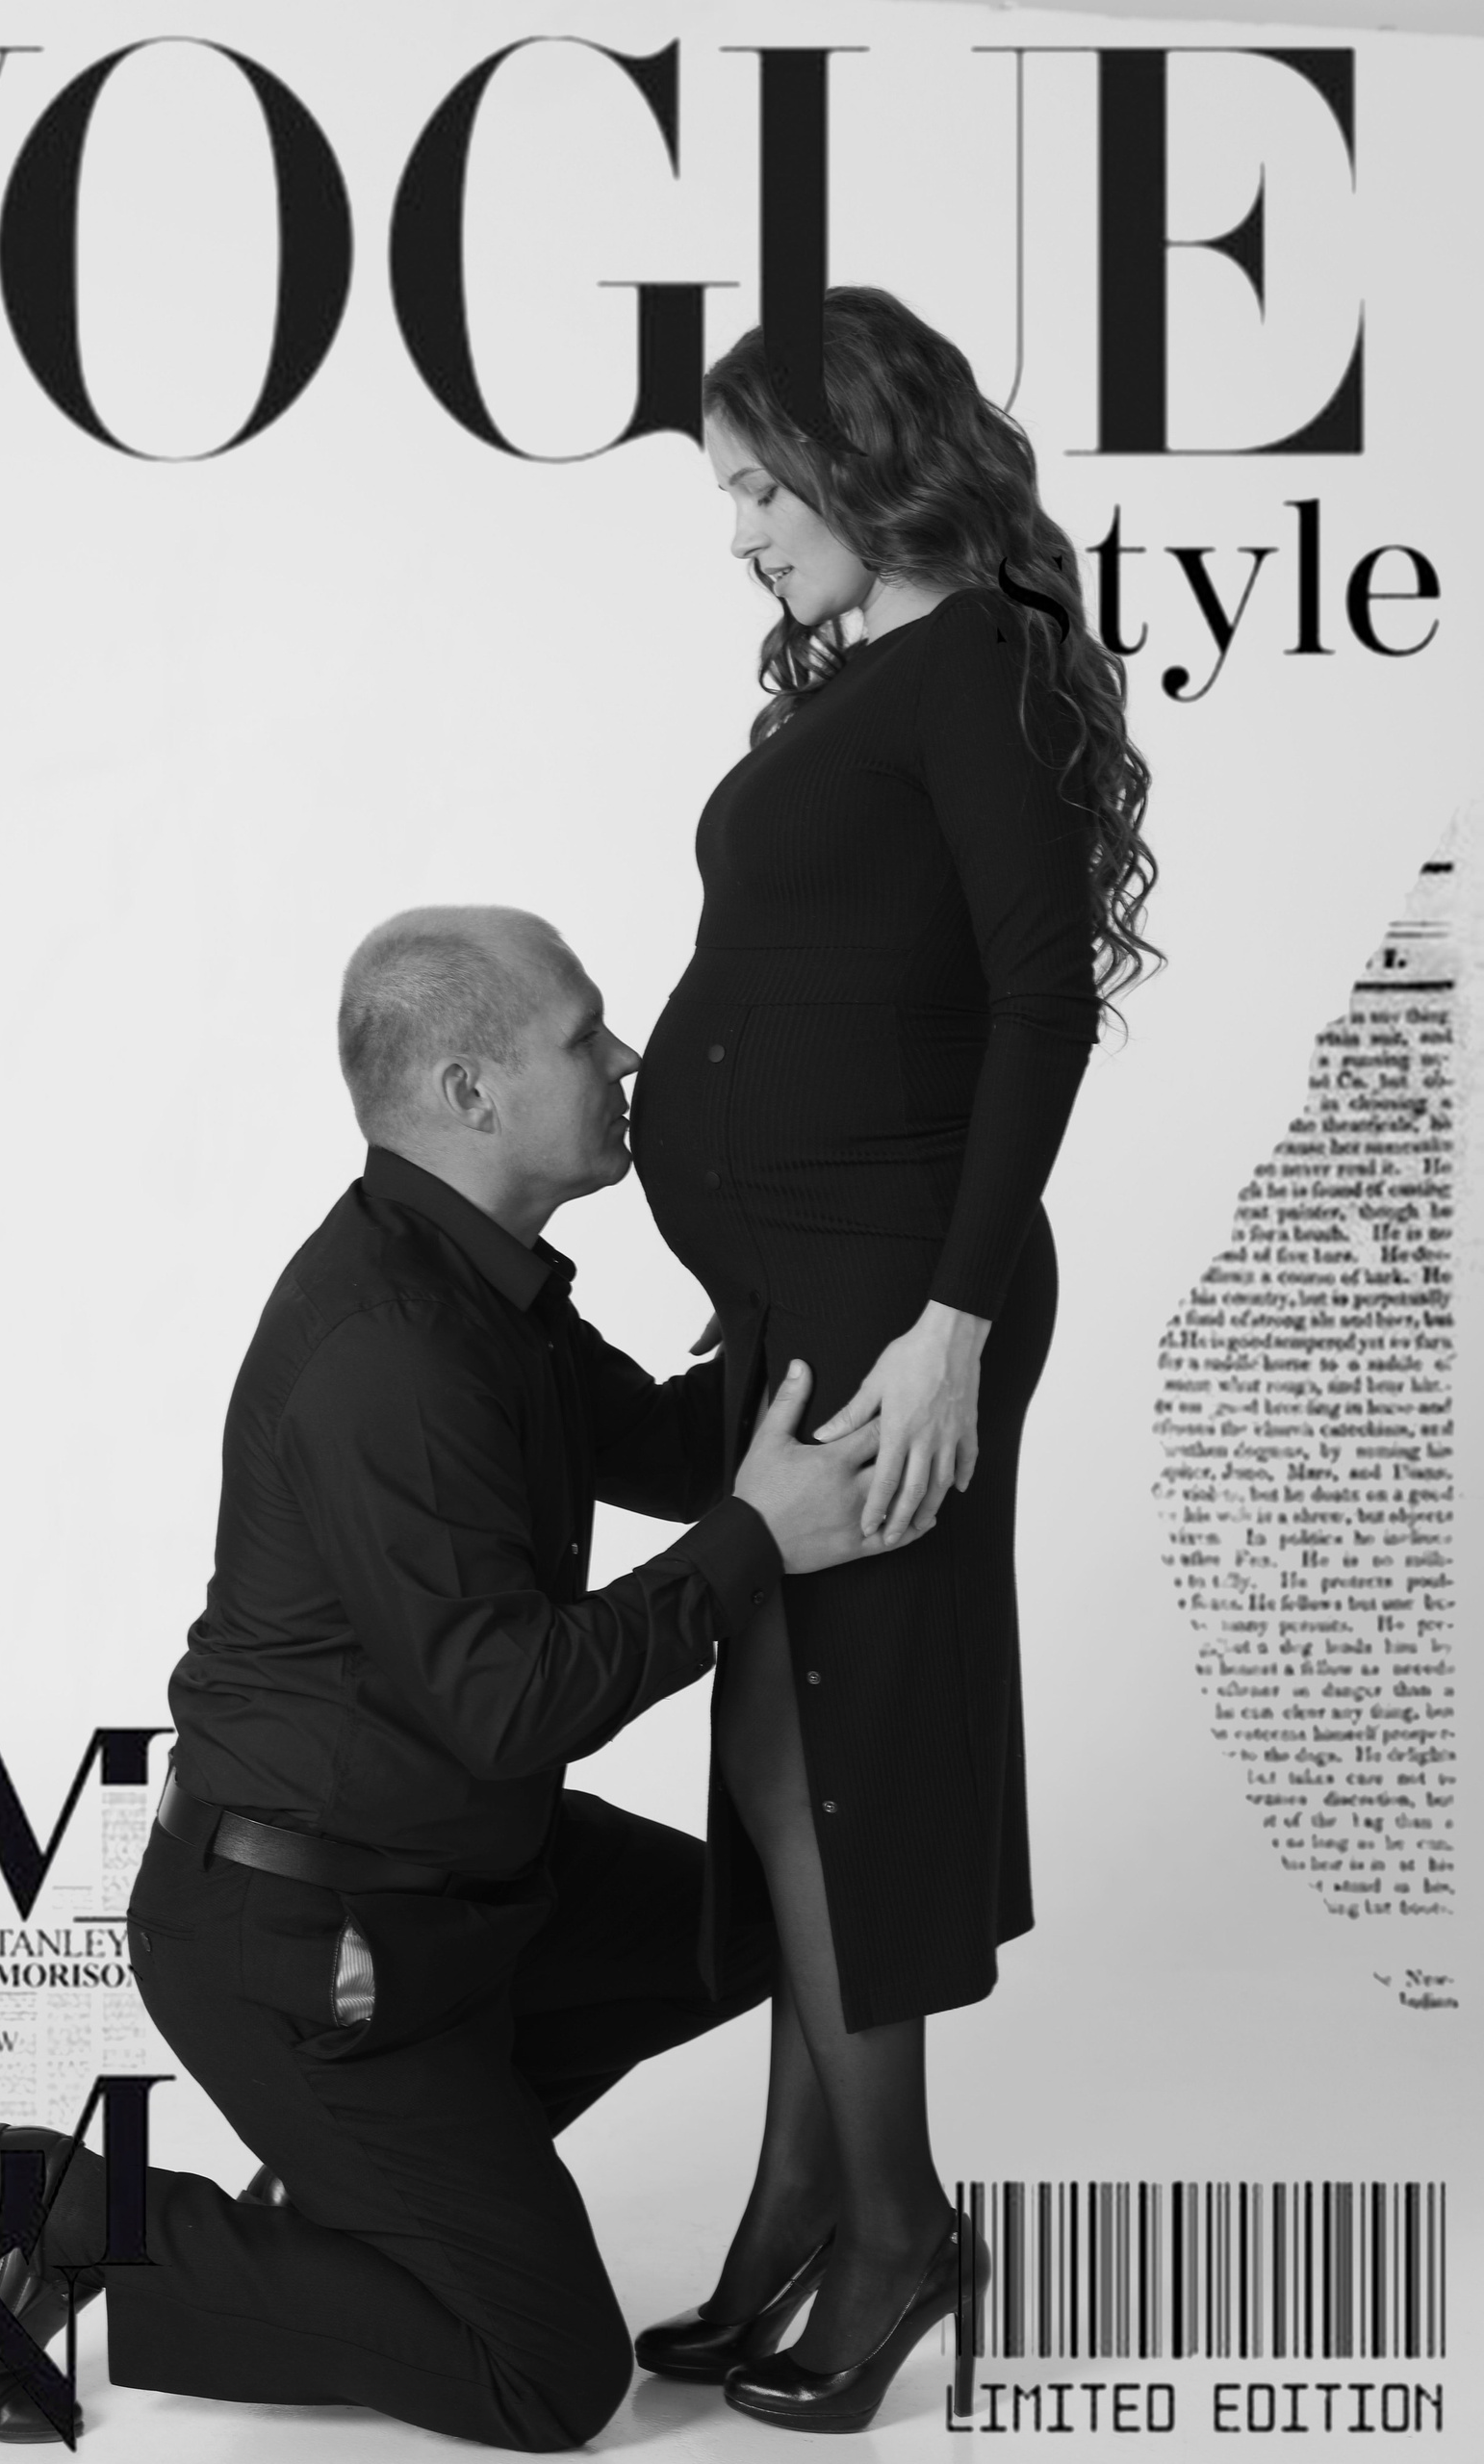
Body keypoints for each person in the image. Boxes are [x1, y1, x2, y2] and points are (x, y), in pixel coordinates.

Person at [0, 904, 896, 2451]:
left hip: (471, 1887)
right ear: (470, 1090)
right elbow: (510, 1702)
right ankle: (73, 2212)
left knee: (761, 1923)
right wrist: (754, 1544)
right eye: (585, 1036)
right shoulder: (390, 1342)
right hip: (312, 1939)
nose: (627, 1060)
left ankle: (361, 2207)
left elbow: (668, 1449)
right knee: (549, 2380)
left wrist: (826, 1307)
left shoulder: (484, 1284)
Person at [627, 289, 1158, 2432]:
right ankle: (798, 2204)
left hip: (903, 1296)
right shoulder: (873, 676)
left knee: (829, 1754)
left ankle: (895, 2227)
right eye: (732, 492)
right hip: (817, 1288)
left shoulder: (982, 669)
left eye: (763, 485)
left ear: (868, 458)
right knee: (782, 1748)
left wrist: (949, 1320)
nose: (742, 530)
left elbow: (1040, 1003)